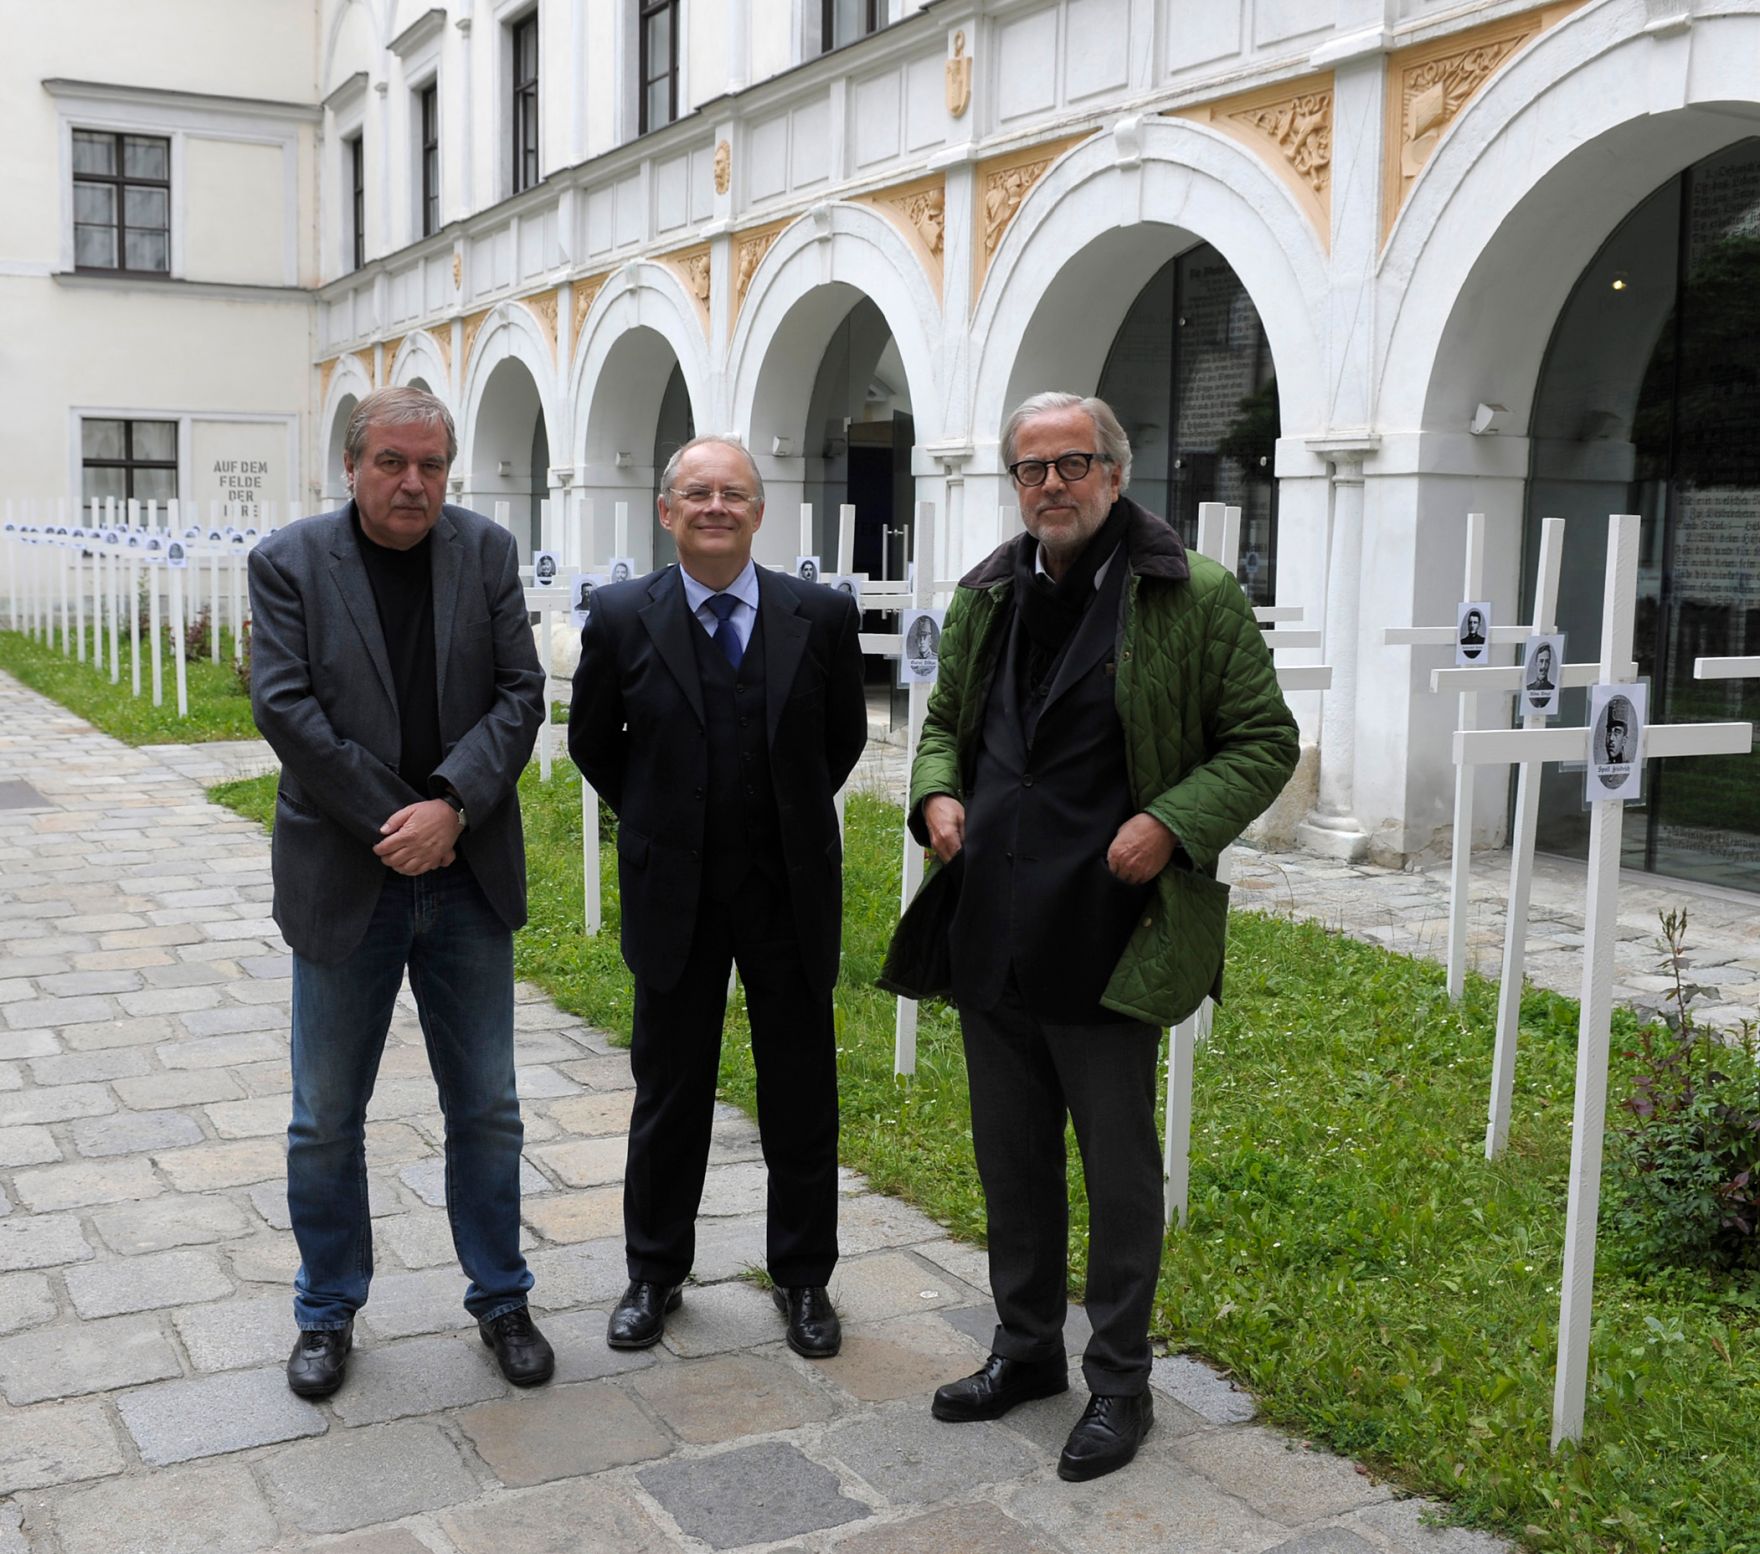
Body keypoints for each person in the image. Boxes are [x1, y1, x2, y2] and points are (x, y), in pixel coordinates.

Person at [882, 392, 1298, 1482]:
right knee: (1009, 1161)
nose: (1050, 486)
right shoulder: (989, 593)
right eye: (1031, 469)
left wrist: (1169, 824)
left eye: (1072, 464)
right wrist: (934, 797)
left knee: (1116, 1171)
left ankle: (1118, 1381)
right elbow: (940, 726)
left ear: (1115, 472)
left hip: (1112, 928)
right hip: (993, 922)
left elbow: (1262, 741)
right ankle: (1024, 1351)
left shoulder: (1188, 594)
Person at [248, 386, 552, 1399]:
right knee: (326, 1115)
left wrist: (453, 809)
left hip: (467, 877)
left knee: (490, 1107)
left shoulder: (487, 552)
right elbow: (285, 709)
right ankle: (327, 1311)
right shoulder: (289, 563)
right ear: (351, 465)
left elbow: (521, 694)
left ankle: (500, 1295)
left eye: (430, 465)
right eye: (391, 462)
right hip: (348, 876)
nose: (413, 483)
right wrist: (403, 823)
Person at [569, 435, 867, 1360]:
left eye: (733, 493)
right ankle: (654, 1272)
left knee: (800, 1091)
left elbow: (842, 739)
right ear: (667, 511)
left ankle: (805, 1279)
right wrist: (663, 819)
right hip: (676, 894)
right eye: (696, 493)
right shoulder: (621, 615)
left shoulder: (818, 614)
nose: (715, 507)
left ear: (759, 512)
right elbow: (593, 741)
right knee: (670, 1092)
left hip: (788, 890)